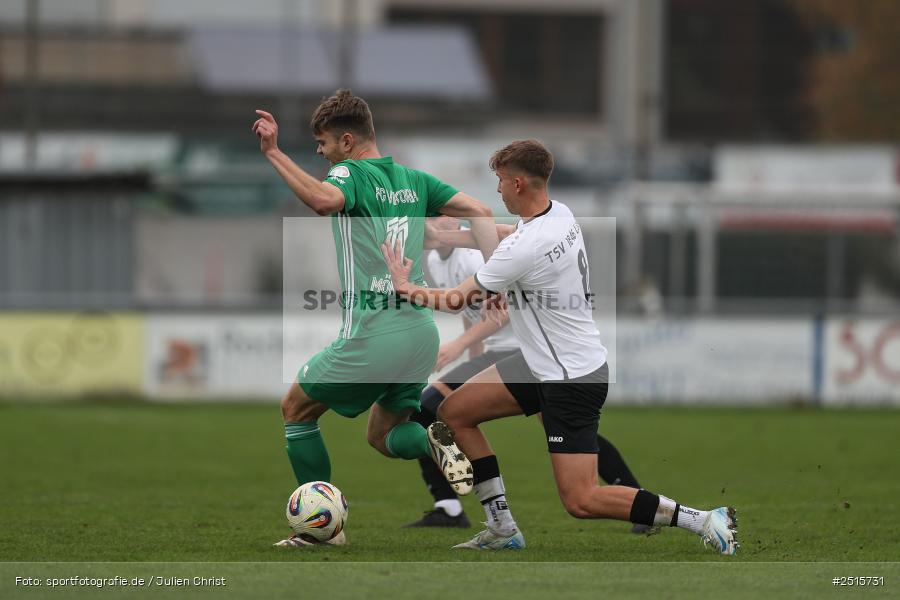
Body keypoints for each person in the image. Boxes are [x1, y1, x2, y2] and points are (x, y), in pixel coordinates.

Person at [382, 139, 738, 554]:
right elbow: (503, 236)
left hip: (571, 378)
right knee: (454, 413)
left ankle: (703, 520)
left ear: (518, 183)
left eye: (499, 181)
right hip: (540, 364)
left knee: (582, 500)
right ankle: (502, 528)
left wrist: (405, 287)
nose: (496, 190)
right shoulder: (558, 214)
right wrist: (446, 238)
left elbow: (458, 298)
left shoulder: (525, 246)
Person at [252, 89, 499, 547]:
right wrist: (495, 277)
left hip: (375, 330)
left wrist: (273, 153)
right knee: (384, 434)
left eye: (323, 145)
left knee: (297, 410)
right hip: (420, 332)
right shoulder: (415, 180)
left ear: (347, 141)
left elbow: (324, 201)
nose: (321, 154)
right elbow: (482, 211)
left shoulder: (348, 172)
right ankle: (431, 439)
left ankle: (322, 532)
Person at [405, 218, 652, 534]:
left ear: (455, 220)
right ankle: (450, 505)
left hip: (520, 351)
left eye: (443, 217)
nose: (437, 224)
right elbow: (473, 314)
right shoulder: (435, 261)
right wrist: (471, 357)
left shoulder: (470, 256)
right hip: (502, 356)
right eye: (431, 218)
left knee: (428, 409)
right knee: (431, 410)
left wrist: (458, 346)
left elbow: (503, 311)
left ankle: (454, 506)